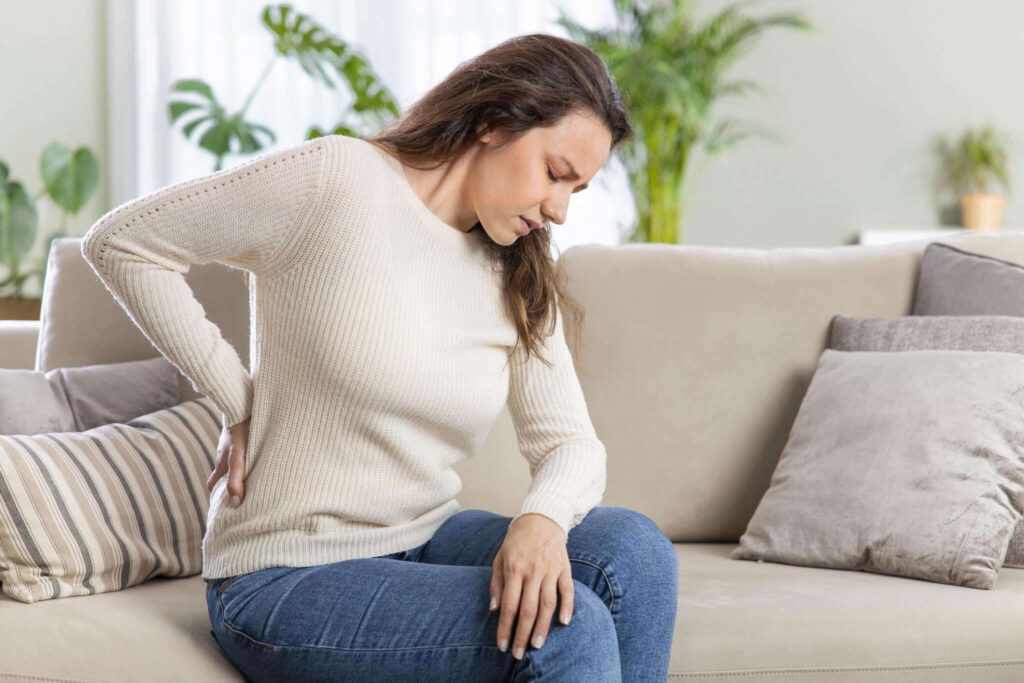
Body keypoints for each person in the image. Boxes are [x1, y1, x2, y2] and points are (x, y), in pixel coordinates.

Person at [81, 32, 678, 682]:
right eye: (555, 173)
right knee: (567, 627)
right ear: (492, 123)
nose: (559, 209)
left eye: (577, 190)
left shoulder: (517, 270)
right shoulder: (337, 180)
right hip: (285, 574)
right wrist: (239, 398)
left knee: (635, 553)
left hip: (422, 538)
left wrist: (542, 520)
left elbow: (572, 445)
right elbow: (123, 242)